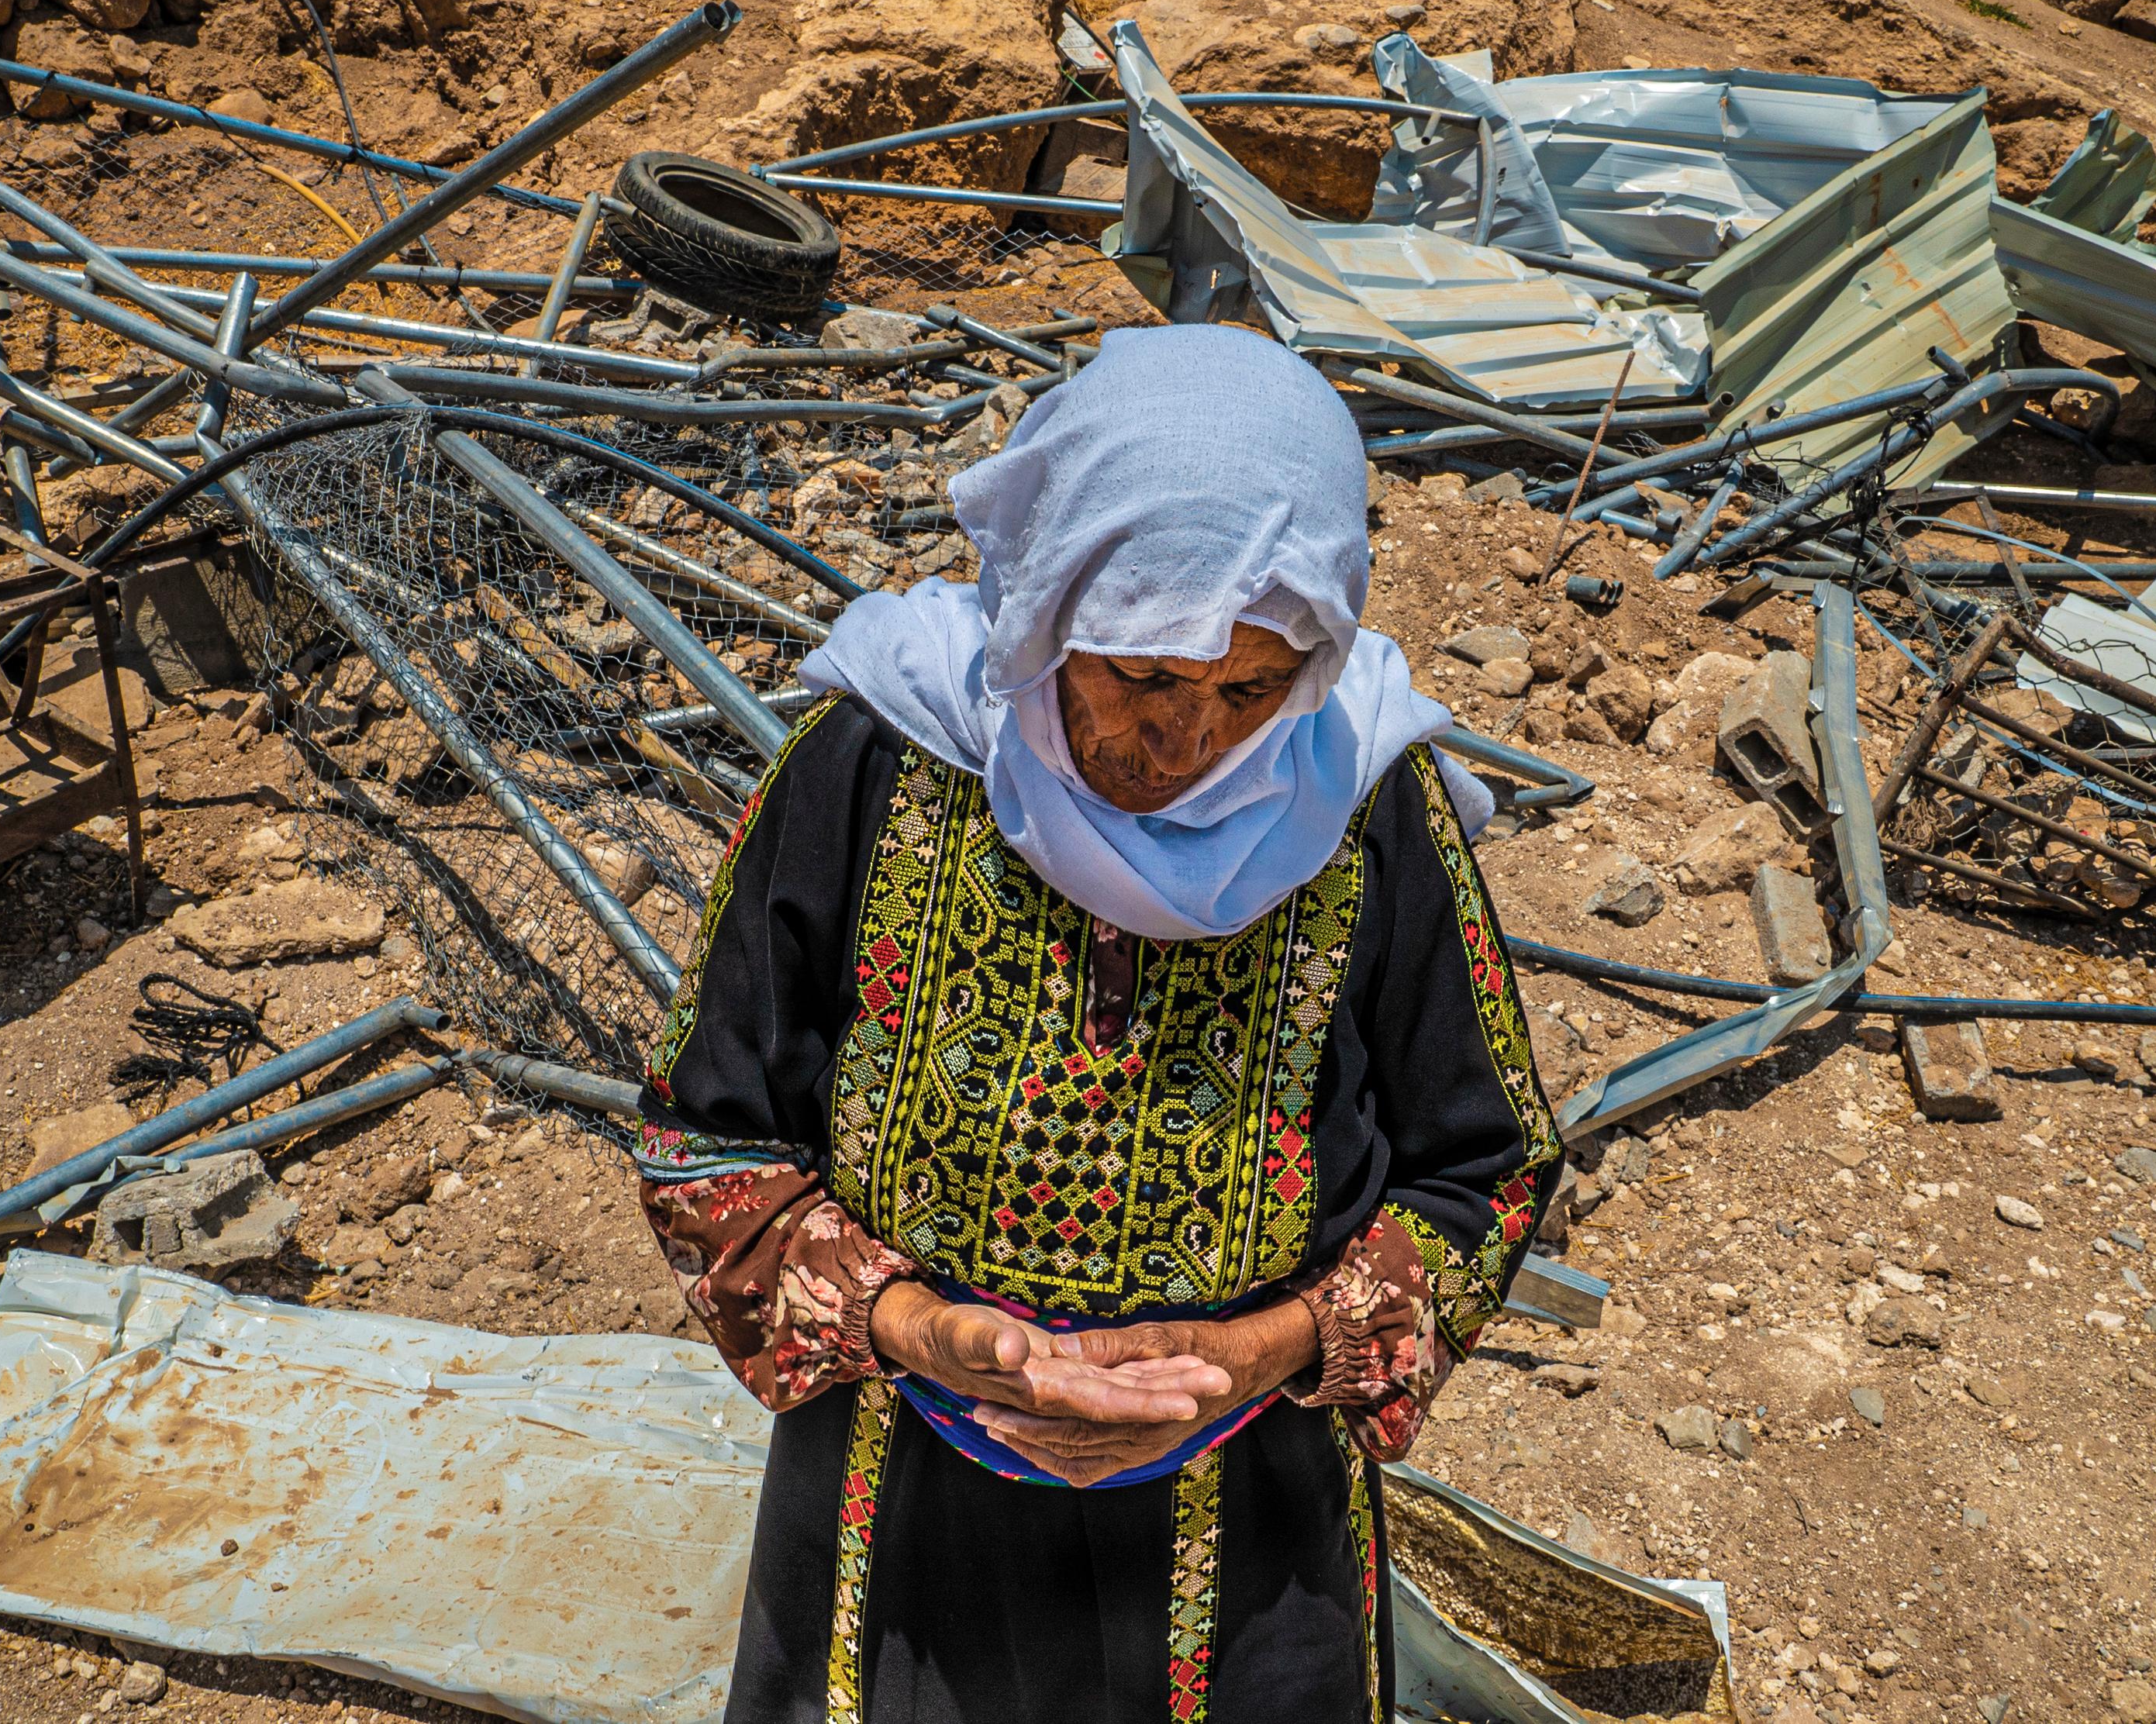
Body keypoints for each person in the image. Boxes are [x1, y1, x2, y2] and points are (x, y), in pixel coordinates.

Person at [633, 323, 1561, 1724]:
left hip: (1254, 1526)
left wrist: (1260, 1351)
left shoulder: (1365, 811)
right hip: (899, 1502)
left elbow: (1484, 1174)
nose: (1189, 745)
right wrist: (923, 1327)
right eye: (1139, 676)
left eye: (1249, 691)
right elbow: (709, 1145)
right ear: (1046, 610)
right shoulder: (875, 762)